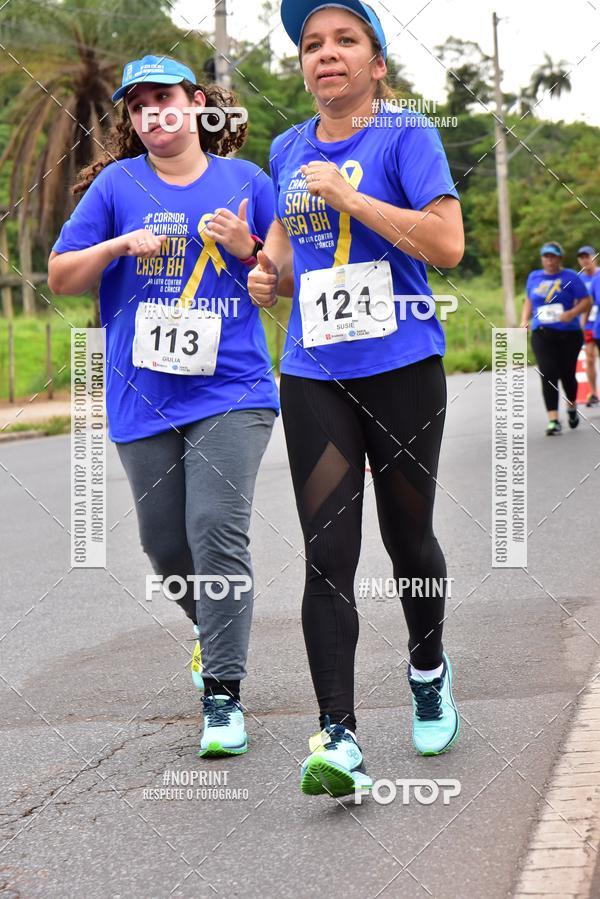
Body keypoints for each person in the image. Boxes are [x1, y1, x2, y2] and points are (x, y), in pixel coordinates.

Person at [249, 0, 463, 797]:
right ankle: (337, 733)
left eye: (346, 40)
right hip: (313, 371)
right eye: (312, 43)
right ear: (302, 66)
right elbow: (282, 261)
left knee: (410, 540)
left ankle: (429, 667)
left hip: (404, 363)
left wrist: (353, 198)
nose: (326, 53)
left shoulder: (408, 134)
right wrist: (263, 273)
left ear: (377, 63)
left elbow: (446, 244)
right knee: (328, 550)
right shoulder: (285, 149)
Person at [48, 55, 280, 758]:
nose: (154, 114)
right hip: (142, 392)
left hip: (231, 386)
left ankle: (224, 694)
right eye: (141, 106)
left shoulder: (248, 182)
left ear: (197, 103)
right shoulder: (117, 186)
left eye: (166, 99)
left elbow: (282, 275)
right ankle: (212, 631)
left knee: (215, 528)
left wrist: (252, 253)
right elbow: (62, 274)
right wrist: (119, 243)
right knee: (165, 545)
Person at [520, 242, 591, 435]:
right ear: (542, 259)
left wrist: (572, 313)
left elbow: (587, 301)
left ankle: (571, 406)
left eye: (553, 257)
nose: (549, 260)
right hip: (542, 333)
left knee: (567, 374)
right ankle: (553, 420)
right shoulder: (534, 277)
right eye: (546, 257)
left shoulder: (570, 277)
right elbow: (528, 300)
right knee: (548, 373)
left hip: (569, 334)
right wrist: (524, 320)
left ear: (560, 258)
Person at [576, 246, 599, 406]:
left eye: (587, 256)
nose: (585, 260)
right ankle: (593, 392)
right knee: (590, 358)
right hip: (587, 324)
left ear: (594, 257)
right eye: (581, 257)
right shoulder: (578, 279)